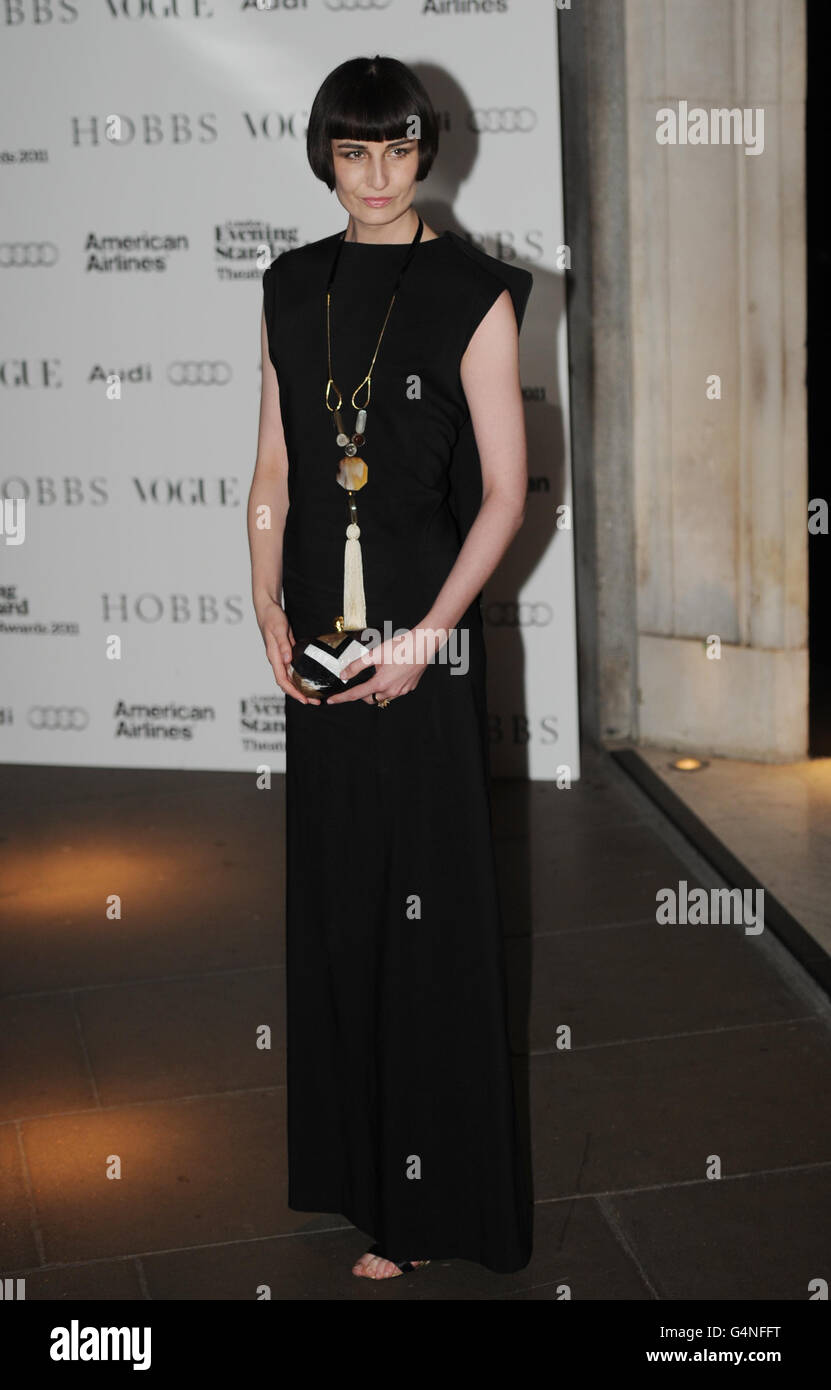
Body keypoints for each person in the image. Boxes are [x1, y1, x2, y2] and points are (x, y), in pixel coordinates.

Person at [247, 54, 534, 1280]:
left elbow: (508, 493)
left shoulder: (473, 290)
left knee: (427, 920)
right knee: (340, 910)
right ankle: (360, 1180)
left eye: (396, 151)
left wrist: (429, 637)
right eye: (352, 153)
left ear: (428, 153)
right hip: (317, 635)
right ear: (326, 156)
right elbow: (274, 468)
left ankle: (430, 1210)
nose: (374, 177)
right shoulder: (290, 282)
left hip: (428, 641)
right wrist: (259, 594)